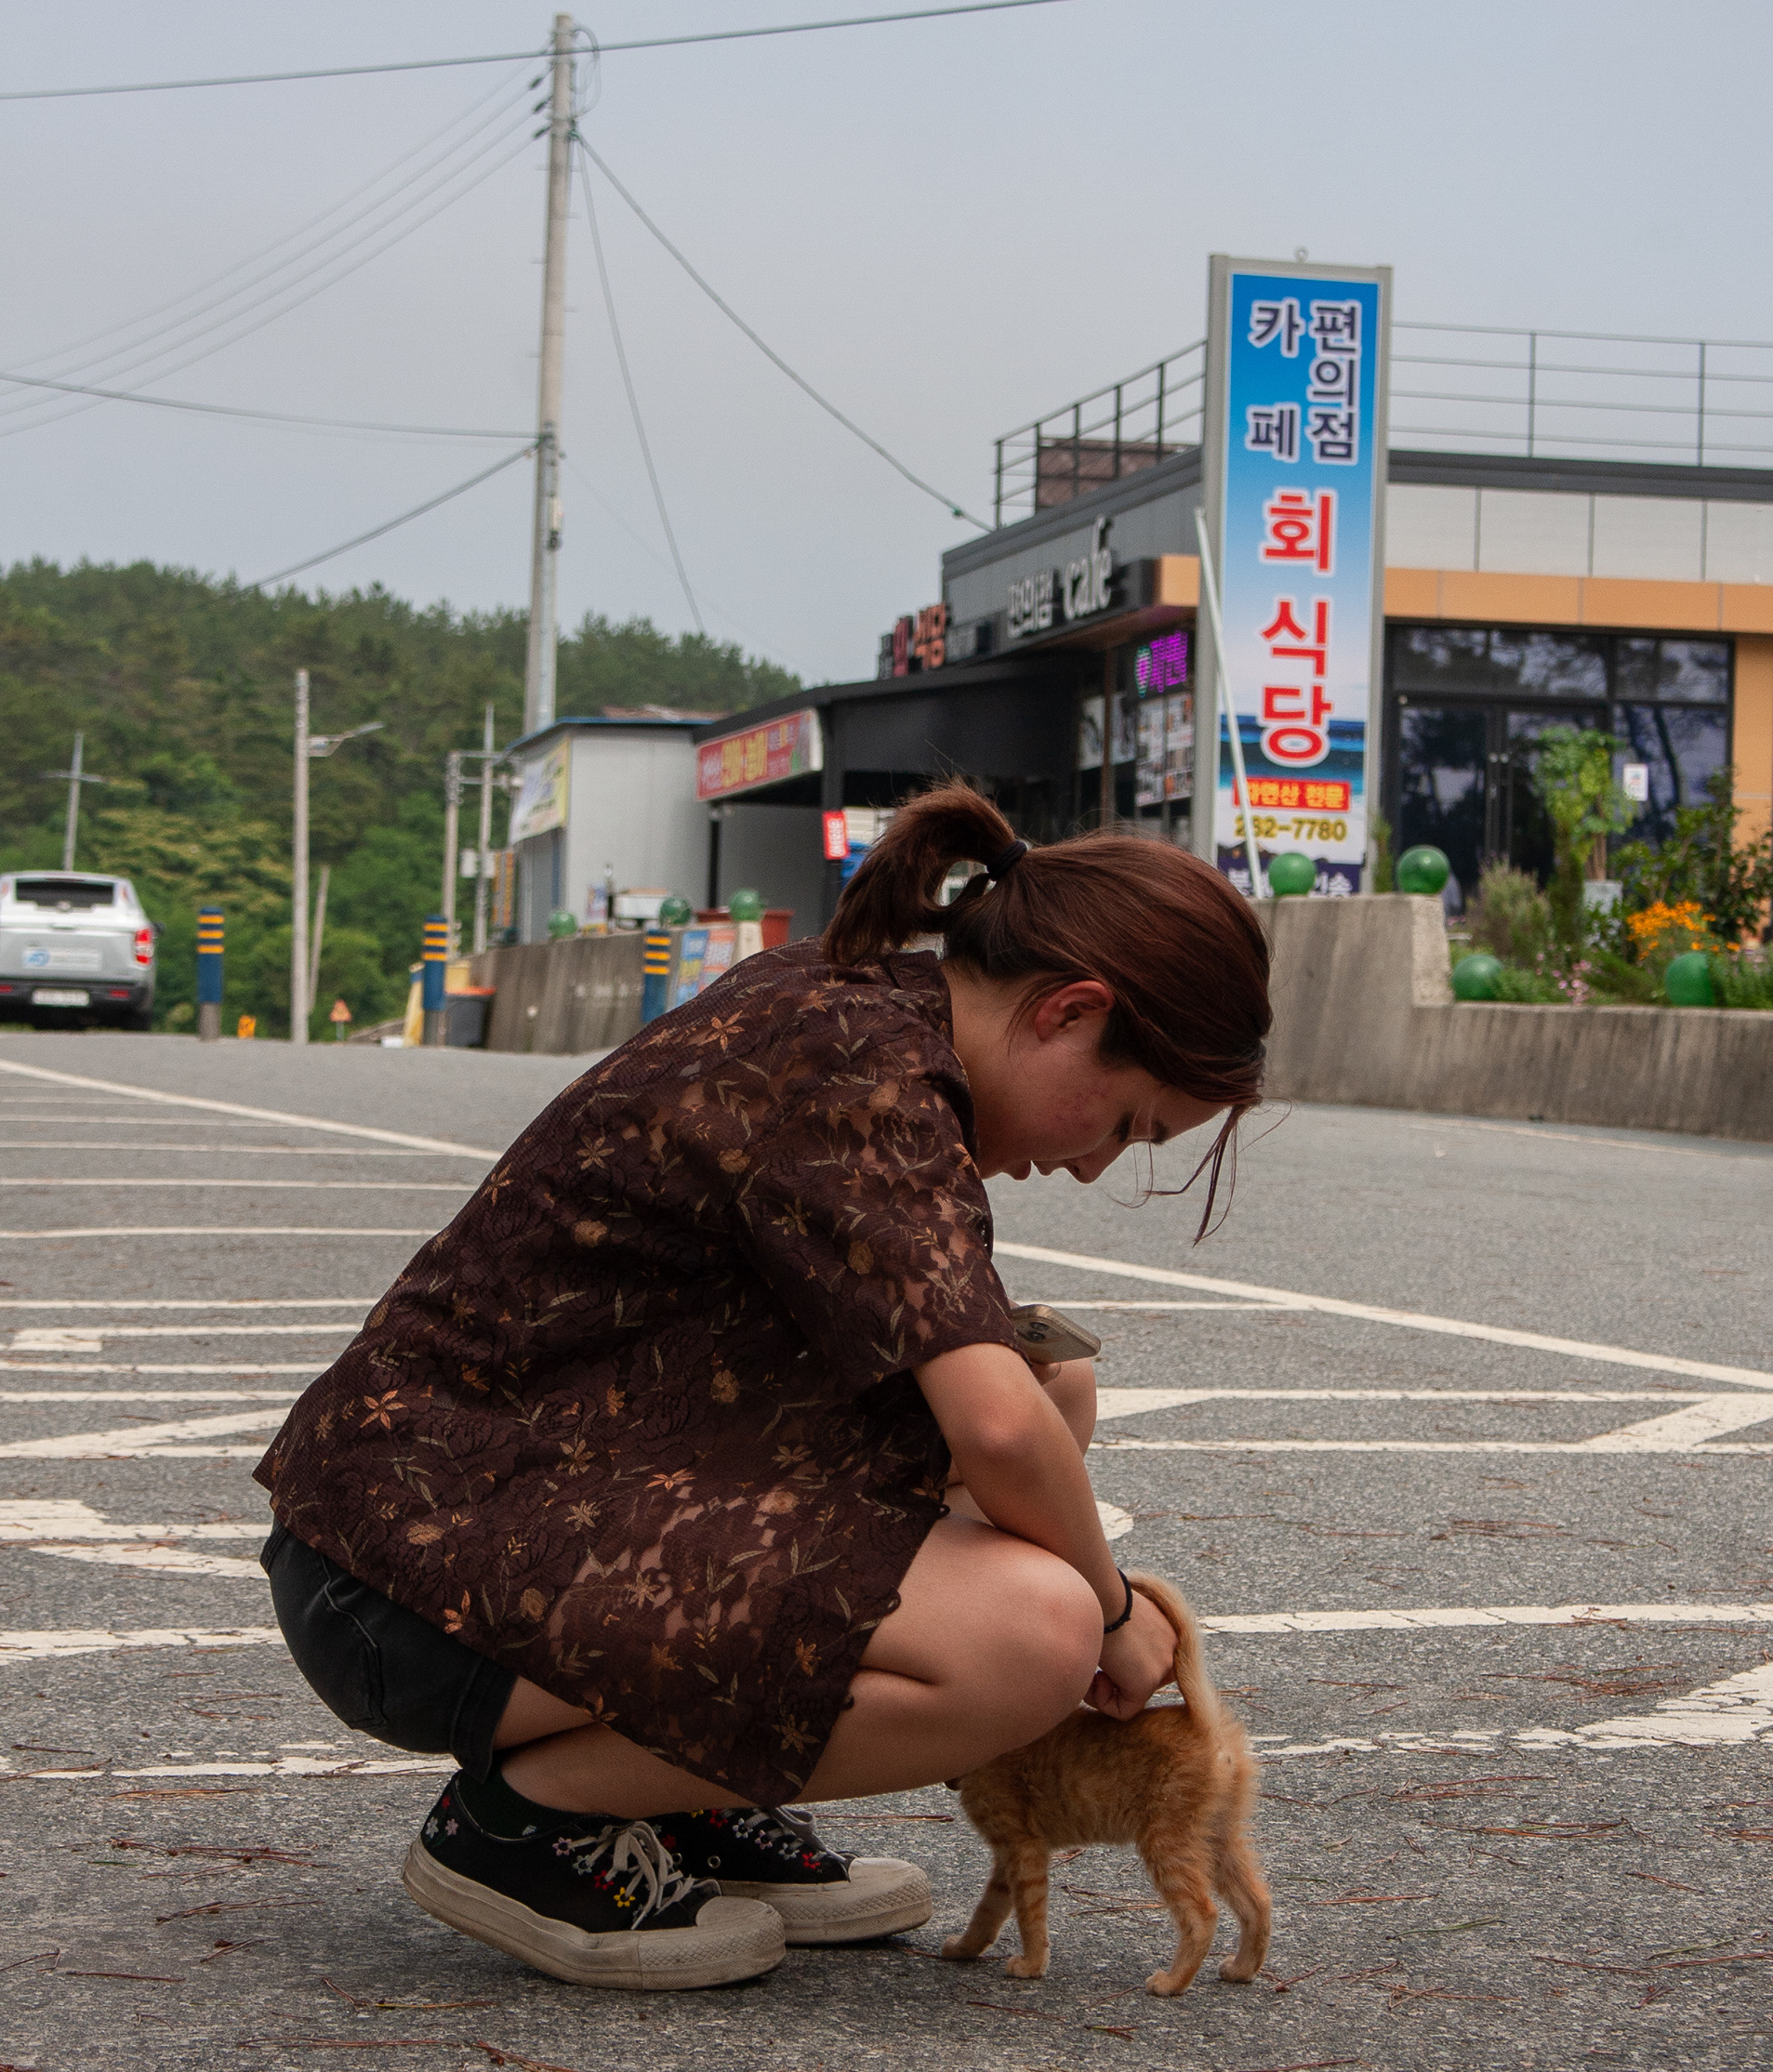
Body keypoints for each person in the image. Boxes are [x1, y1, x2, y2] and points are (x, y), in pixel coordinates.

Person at [257, 782, 1271, 1993]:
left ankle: (691, 1789)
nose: (1095, 1162)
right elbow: (990, 1429)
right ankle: (528, 1824)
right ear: (1070, 1010)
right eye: (1130, 1121)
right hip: (405, 1588)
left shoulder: (869, 1020)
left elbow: (1021, 1399)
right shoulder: (865, 1075)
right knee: (1035, 1636)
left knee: (1061, 1395)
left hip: (480, 1515)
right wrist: (1114, 1613)